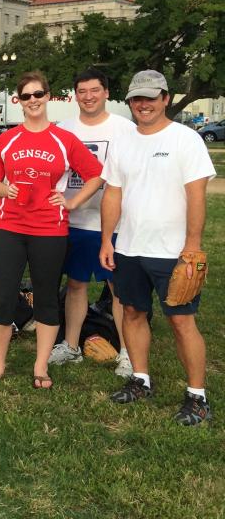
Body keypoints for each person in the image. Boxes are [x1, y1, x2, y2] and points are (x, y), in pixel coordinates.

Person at [99, 70, 215, 426]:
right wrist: (107, 239)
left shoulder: (186, 139)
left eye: (150, 98)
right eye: (136, 99)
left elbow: (196, 195)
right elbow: (113, 193)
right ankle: (140, 379)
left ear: (165, 98)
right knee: (133, 313)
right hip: (130, 246)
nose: (143, 105)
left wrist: (191, 248)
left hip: (173, 251)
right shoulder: (124, 141)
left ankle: (197, 397)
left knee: (181, 322)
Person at [0, 71, 104, 389]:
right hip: (10, 227)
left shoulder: (64, 140)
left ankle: (40, 366)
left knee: (46, 297)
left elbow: (97, 174)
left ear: (48, 96)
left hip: (49, 229)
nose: (33, 101)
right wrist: (2, 191)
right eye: (26, 96)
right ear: (18, 101)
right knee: (3, 298)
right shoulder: (9, 139)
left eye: (38, 94)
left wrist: (72, 201)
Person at [49, 68, 136, 377]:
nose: (88, 96)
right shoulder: (63, 128)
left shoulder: (125, 129)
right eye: (82, 91)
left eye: (94, 90)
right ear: (75, 95)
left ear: (106, 92)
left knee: (119, 289)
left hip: (113, 223)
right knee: (75, 284)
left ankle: (128, 352)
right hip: (73, 220)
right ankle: (70, 346)